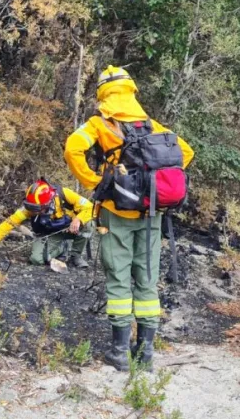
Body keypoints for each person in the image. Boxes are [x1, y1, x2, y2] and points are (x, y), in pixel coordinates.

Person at [64, 66, 194, 371]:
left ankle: (120, 352)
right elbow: (185, 152)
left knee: (119, 277)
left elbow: (73, 148)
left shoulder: (100, 124)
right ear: (131, 91)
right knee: (147, 278)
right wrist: (151, 183)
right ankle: (146, 352)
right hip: (152, 213)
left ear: (104, 96)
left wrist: (95, 181)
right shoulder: (153, 126)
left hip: (116, 213)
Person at [0, 179, 94, 268]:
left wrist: (78, 219)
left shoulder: (64, 194)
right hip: (50, 233)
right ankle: (62, 248)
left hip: (71, 228)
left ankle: (76, 255)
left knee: (89, 225)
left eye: (36, 208)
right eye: (31, 207)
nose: (33, 211)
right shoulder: (29, 207)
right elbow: (11, 222)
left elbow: (90, 207)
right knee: (36, 259)